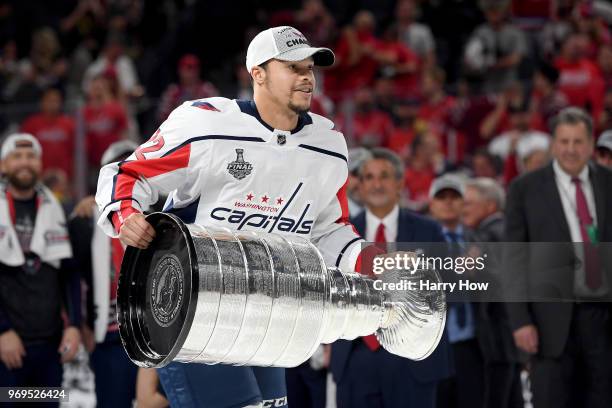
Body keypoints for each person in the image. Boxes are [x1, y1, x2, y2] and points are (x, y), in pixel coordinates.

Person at [95, 26, 364, 408]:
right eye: (293, 67)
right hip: (193, 303)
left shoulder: (329, 146)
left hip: (271, 307)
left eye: (310, 68)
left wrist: (367, 259)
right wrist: (126, 214)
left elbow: (331, 229)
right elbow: (128, 173)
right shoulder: (206, 124)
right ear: (258, 73)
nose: (307, 77)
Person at [504, 107, 612, 408]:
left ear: (591, 144)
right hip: (548, 321)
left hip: (602, 319)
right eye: (564, 142)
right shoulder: (525, 189)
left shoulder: (608, 182)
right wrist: (520, 321)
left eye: (578, 142)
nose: (571, 150)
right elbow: (512, 259)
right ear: (553, 144)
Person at [330, 148, 452, 408]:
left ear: (399, 183)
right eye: (369, 177)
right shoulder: (337, 234)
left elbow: (448, 288)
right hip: (355, 356)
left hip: (412, 358)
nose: (376, 184)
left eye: (384, 176)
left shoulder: (429, 230)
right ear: (359, 187)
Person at [0, 134, 80, 404]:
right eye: (17, 156)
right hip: (7, 349)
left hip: (49, 349)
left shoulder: (56, 208)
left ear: (40, 164)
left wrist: (75, 326)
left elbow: (69, 273)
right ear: (3, 165)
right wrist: (2, 331)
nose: (25, 162)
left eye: (31, 156)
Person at [70, 140, 140, 408]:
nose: (127, 173)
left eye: (133, 165)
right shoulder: (85, 220)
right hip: (108, 333)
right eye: (119, 168)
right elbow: (74, 277)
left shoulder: (164, 209)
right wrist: (80, 323)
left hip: (155, 333)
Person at [463, 178, 523, 408]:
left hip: (496, 334)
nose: (462, 208)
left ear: (489, 206)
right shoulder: (508, 229)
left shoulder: (487, 235)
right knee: (513, 398)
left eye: (469, 203)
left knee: (495, 399)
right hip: (509, 334)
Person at [428, 175, 484, 408]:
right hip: (435, 344)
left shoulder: (480, 240)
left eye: (454, 197)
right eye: (442, 197)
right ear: (431, 204)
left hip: (472, 344)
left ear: (464, 203)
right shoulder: (421, 240)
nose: (448, 202)